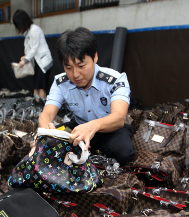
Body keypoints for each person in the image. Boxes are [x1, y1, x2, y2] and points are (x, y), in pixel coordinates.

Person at [39, 27, 135, 166]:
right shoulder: (61, 82)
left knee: (124, 152)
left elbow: (119, 117)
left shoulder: (115, 80)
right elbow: (46, 114)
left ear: (95, 57)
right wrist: (48, 134)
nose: (75, 74)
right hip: (78, 127)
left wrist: (93, 126)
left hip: (109, 129)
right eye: (69, 68)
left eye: (81, 65)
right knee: (50, 147)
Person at [12, 10, 53, 104]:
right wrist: (25, 57)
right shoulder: (28, 32)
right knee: (36, 86)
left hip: (43, 62)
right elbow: (29, 48)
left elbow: (34, 49)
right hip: (38, 63)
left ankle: (42, 107)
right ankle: (36, 105)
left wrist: (25, 60)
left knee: (41, 87)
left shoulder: (35, 30)